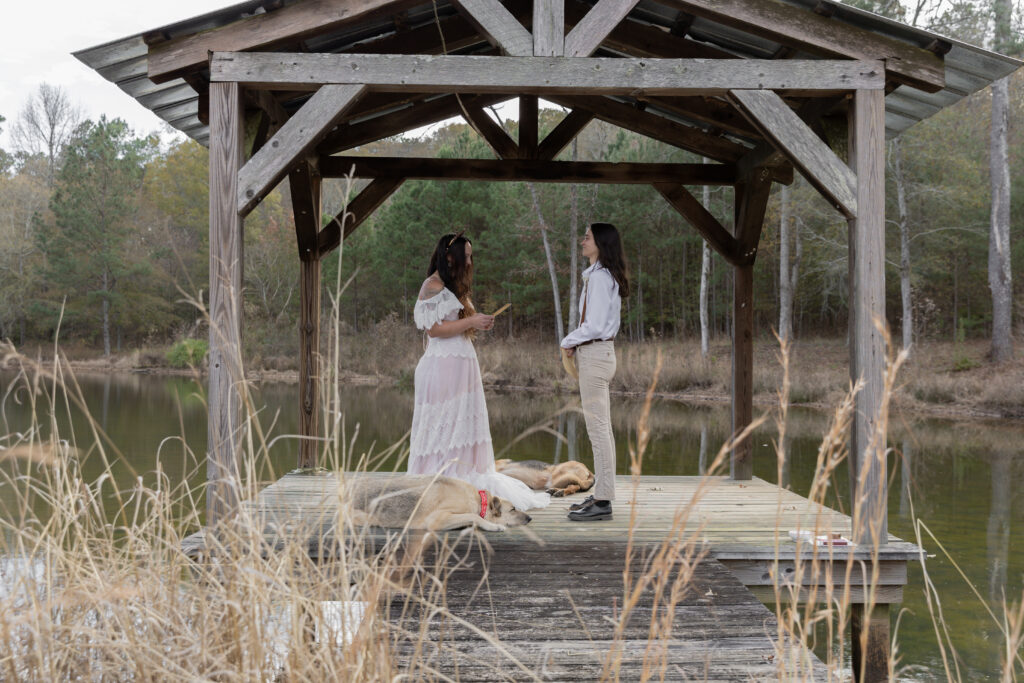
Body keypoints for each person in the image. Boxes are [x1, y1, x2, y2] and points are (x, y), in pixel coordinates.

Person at [408, 232, 550, 512]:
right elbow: (434, 330)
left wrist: (477, 322)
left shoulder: (451, 287)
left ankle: (464, 481)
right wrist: (471, 320)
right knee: (443, 426)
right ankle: (441, 483)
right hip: (442, 369)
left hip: (461, 369)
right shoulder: (432, 285)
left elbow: (458, 325)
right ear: (450, 257)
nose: (470, 262)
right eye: (467, 256)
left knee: (462, 427)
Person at [560, 223, 629, 521]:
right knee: (602, 429)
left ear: (601, 243)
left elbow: (596, 326)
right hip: (597, 353)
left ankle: (602, 502)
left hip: (596, 355)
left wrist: (568, 341)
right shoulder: (600, 276)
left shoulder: (600, 279)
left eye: (586, 237)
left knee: (598, 430)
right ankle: (602, 493)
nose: (582, 240)